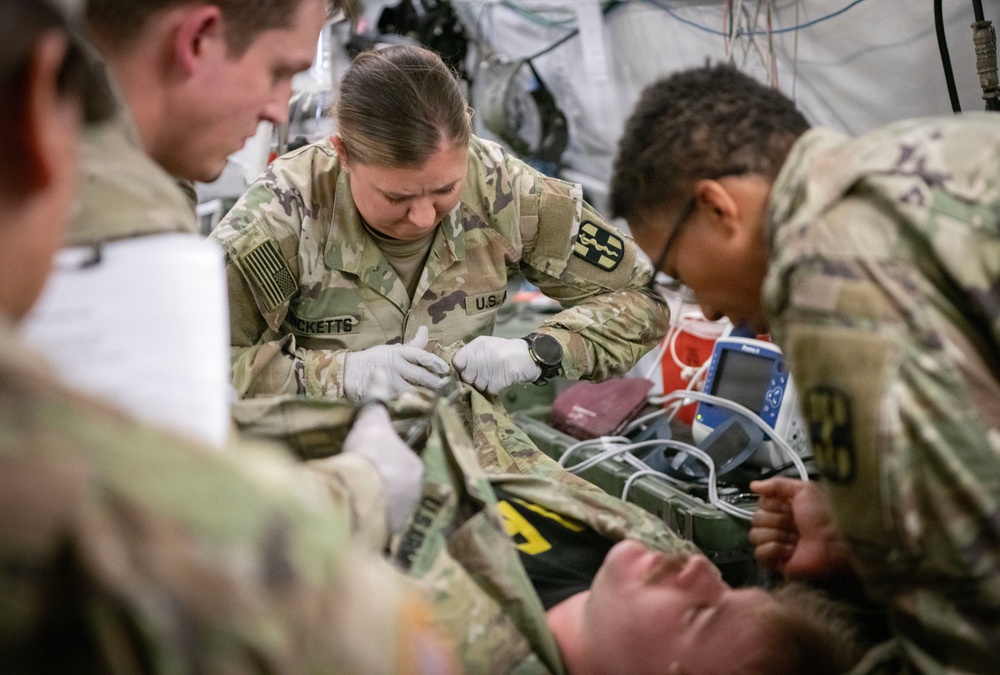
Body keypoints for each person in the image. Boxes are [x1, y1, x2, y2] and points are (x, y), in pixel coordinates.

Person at [0, 1, 454, 671]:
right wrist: (361, 488)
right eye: (279, 70)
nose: (280, 108)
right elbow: (153, 555)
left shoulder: (155, 188)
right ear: (198, 38)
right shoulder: (141, 243)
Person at [608, 62, 1000, 673]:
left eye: (679, 275)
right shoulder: (927, 152)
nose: (705, 307)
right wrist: (860, 522)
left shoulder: (825, 270)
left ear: (717, 208)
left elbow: (968, 613)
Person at [238, 383, 862, 675]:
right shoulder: (638, 550)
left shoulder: (435, 651)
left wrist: (357, 488)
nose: (702, 572)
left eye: (703, 615)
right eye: (727, 591)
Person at [210, 43, 669, 403]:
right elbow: (185, 369)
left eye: (445, 190)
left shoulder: (503, 190)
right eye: (397, 197)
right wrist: (340, 375)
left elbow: (642, 299)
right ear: (344, 154)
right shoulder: (281, 214)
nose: (424, 217)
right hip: (317, 456)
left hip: (462, 443)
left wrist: (539, 352)